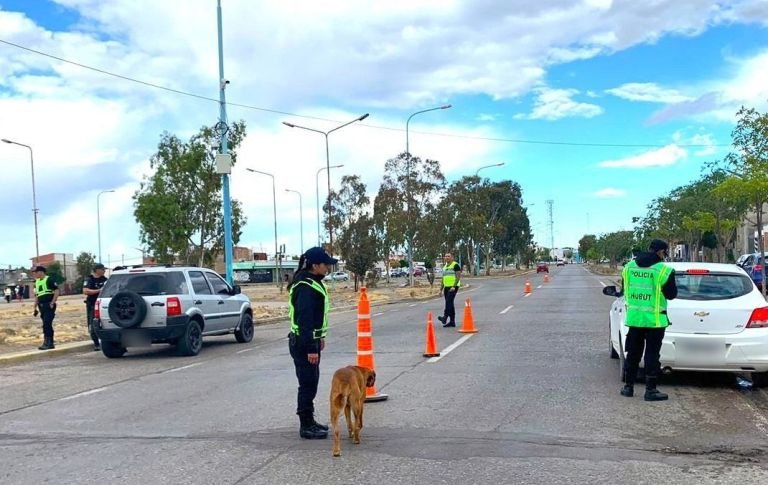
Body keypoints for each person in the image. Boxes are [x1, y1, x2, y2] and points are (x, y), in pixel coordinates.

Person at [287, 246, 336, 440]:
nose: (328, 268)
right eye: (325, 265)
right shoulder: (306, 287)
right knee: (307, 383)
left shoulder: (311, 282)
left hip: (309, 340)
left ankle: (310, 420)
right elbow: (305, 320)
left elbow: (316, 317)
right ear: (315, 265)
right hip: (303, 342)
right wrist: (311, 347)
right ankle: (305, 425)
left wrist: (320, 337)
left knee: (311, 381)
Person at [620, 239, 678, 401]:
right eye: (665, 252)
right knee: (652, 355)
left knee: (633, 353)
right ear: (661, 252)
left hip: (635, 318)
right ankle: (650, 390)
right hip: (655, 321)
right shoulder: (663, 271)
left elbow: (624, 290)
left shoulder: (628, 268)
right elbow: (672, 295)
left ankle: (628, 387)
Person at [32, 266, 59, 350]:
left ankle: (49, 342)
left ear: (41, 272)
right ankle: (48, 342)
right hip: (41, 306)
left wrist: (52, 302)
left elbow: (56, 291)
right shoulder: (36, 282)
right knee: (45, 324)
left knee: (47, 323)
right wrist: (35, 307)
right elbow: (37, 295)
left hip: (48, 305)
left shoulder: (49, 279)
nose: (35, 274)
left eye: (36, 272)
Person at [83, 263, 108, 351]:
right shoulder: (90, 279)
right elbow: (85, 291)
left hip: (104, 303)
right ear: (97, 270)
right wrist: (99, 290)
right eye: (103, 269)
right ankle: (96, 343)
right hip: (93, 304)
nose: (104, 271)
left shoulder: (105, 279)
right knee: (93, 324)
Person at [438, 252, 462, 327]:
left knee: (448, 301)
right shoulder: (444, 267)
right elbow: (443, 278)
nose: (447, 257)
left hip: (453, 287)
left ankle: (445, 317)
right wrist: (440, 289)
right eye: (446, 256)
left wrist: (454, 286)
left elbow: (458, 276)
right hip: (446, 287)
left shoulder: (455, 265)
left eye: (448, 256)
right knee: (450, 304)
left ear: (452, 257)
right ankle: (452, 322)